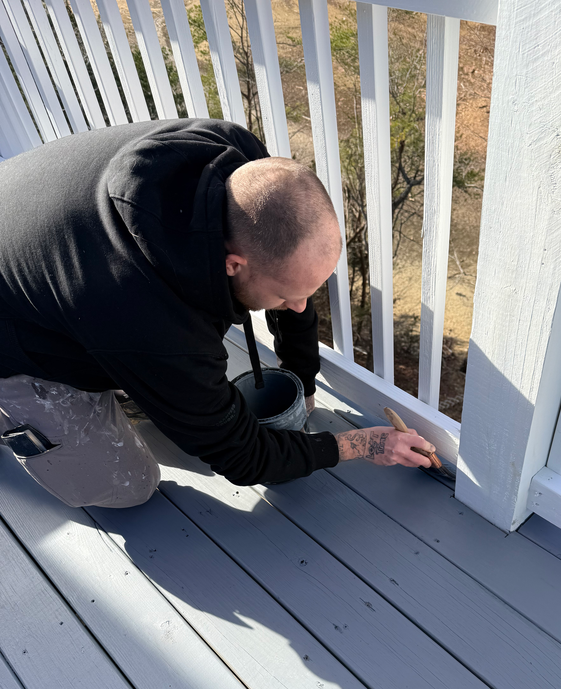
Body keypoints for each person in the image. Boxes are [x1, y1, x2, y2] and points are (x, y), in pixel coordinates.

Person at [0, 118, 434, 508]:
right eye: (287, 298)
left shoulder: (240, 164)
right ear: (233, 264)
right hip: (14, 335)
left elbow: (290, 278)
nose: (300, 306)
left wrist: (301, 379)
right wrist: (359, 445)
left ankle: (127, 377)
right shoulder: (149, 318)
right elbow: (242, 459)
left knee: (170, 387)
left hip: (36, 237)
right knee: (128, 487)